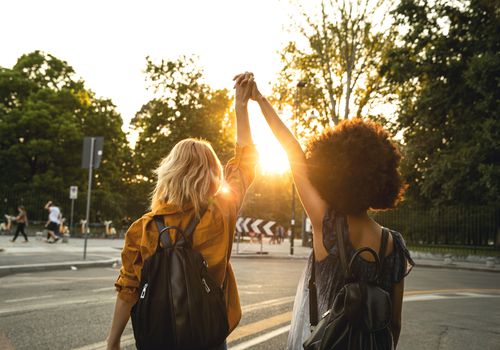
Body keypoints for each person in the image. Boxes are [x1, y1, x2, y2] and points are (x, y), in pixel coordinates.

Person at [236, 74, 414, 349]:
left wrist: (259, 101)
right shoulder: (394, 245)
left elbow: (292, 150)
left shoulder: (327, 223)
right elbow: (395, 322)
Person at [106, 73, 257, 350]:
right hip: (207, 335)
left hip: (158, 337)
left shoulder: (144, 227)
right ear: (212, 175)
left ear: (169, 172)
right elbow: (246, 160)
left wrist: (112, 341)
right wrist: (241, 106)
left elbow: (128, 290)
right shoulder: (220, 213)